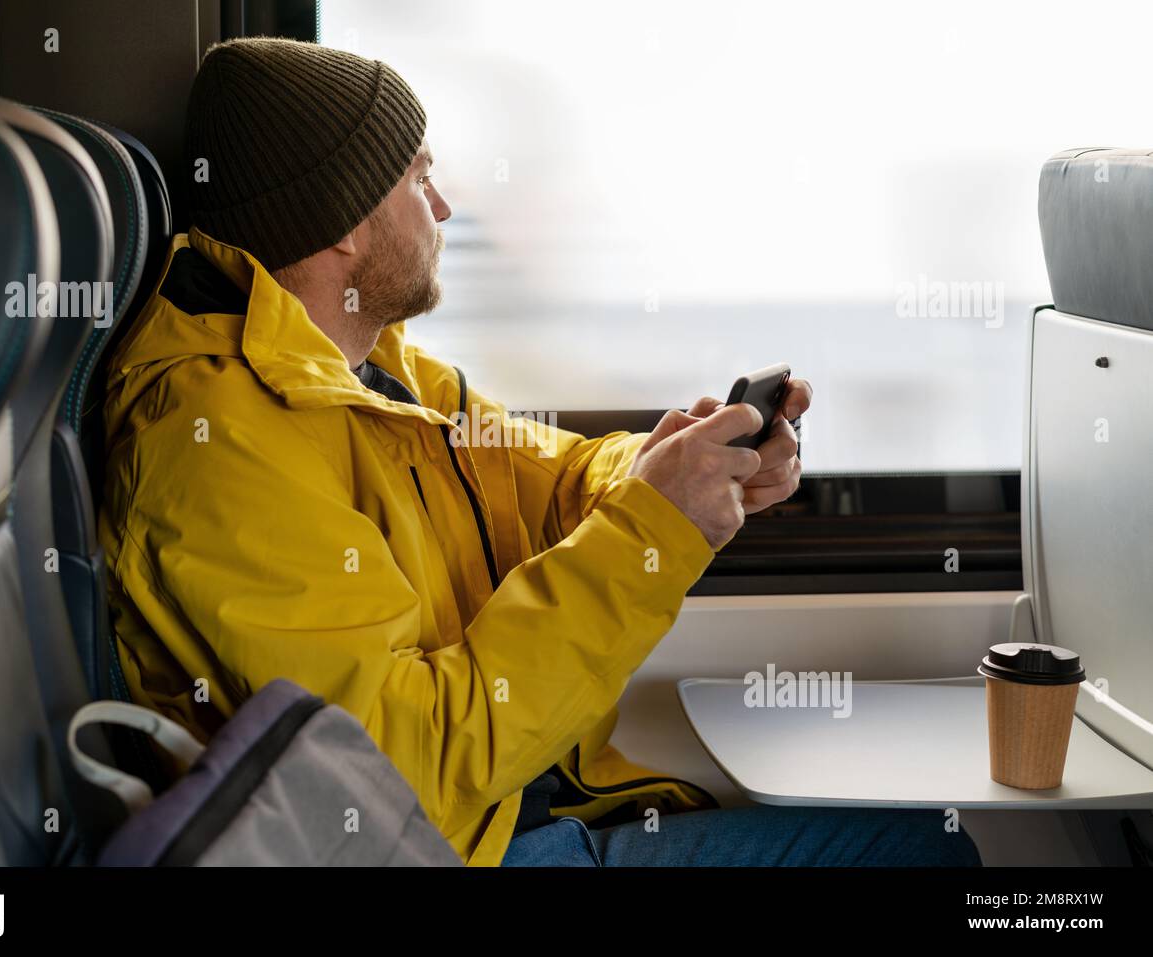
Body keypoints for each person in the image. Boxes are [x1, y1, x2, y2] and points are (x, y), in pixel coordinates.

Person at [98, 37, 980, 867]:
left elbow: (547, 477)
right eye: (420, 176)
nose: (443, 206)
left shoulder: (373, 373)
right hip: (460, 845)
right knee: (924, 853)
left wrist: (678, 462)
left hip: (521, 805)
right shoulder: (216, 444)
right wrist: (657, 525)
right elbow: (400, 770)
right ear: (347, 226)